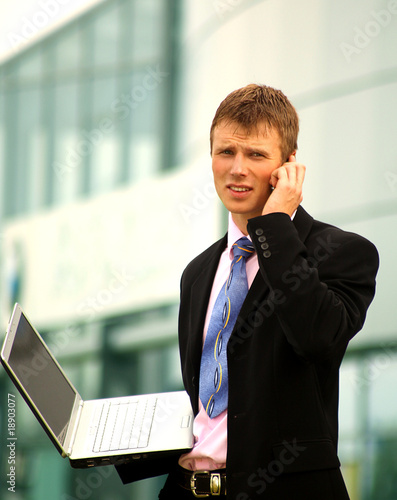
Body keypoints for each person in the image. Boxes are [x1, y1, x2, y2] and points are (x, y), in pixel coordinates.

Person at [116, 84, 379, 499]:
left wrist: (276, 225)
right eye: (226, 152)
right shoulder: (198, 272)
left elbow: (318, 339)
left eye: (256, 155)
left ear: (289, 165)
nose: (237, 169)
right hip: (189, 488)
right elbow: (208, 401)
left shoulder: (342, 253)